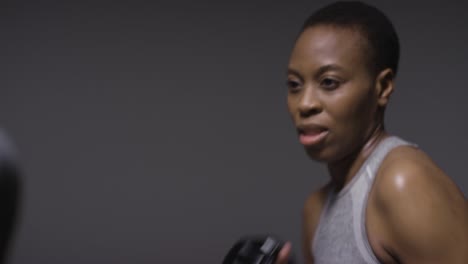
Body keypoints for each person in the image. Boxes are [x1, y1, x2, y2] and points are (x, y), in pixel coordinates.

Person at [275, 1, 468, 264]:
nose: (305, 103)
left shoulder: (403, 184)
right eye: (295, 85)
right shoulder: (315, 209)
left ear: (383, 87)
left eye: (329, 82)